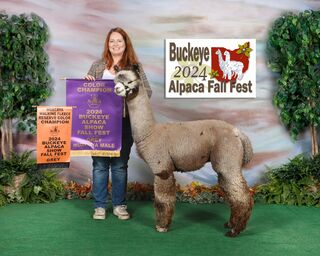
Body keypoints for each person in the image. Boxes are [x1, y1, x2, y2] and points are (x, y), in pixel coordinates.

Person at [85, 27, 152, 220]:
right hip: (99, 123)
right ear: (107, 44)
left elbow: (147, 92)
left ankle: (119, 206)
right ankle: (99, 206)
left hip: (124, 122)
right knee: (99, 165)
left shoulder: (134, 67)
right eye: (112, 41)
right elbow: (86, 94)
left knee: (120, 165)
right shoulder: (97, 66)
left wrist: (130, 90)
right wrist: (87, 83)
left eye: (119, 41)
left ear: (125, 44)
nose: (115, 44)